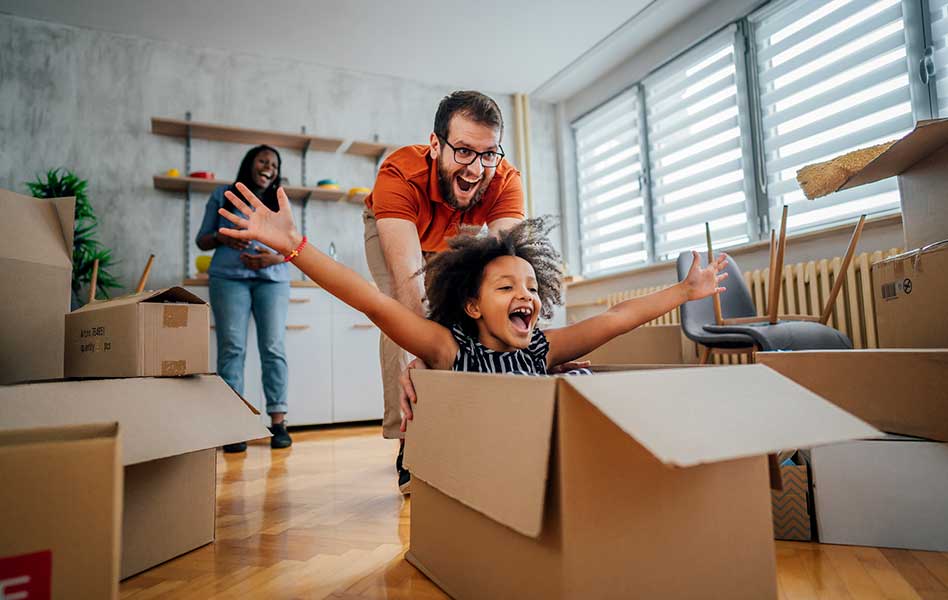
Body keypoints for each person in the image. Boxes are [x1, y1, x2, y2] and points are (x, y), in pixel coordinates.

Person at [214, 182, 728, 444]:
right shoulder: (448, 351)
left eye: (530, 285)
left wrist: (683, 292)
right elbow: (369, 299)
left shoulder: (543, 351)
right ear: (473, 304)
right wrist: (293, 245)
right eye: (506, 286)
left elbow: (614, 320)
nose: (525, 293)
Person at [362, 90, 524, 493]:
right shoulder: (399, 174)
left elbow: (511, 273)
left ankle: (464, 428)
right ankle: (409, 443)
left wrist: (523, 347)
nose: (476, 168)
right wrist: (425, 355)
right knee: (403, 319)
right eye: (464, 151)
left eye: (489, 154)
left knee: (469, 312)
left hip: (455, 233)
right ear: (435, 144)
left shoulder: (503, 179)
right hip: (401, 230)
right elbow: (409, 286)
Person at [196, 145, 293, 452]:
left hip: (271, 280)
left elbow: (294, 248)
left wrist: (271, 259)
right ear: (250, 163)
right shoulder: (223, 194)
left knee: (273, 347)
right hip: (228, 278)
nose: (269, 167)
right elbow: (202, 239)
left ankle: (278, 423)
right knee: (232, 349)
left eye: (274, 164)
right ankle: (233, 426)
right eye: (263, 161)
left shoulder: (278, 202)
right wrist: (222, 236)